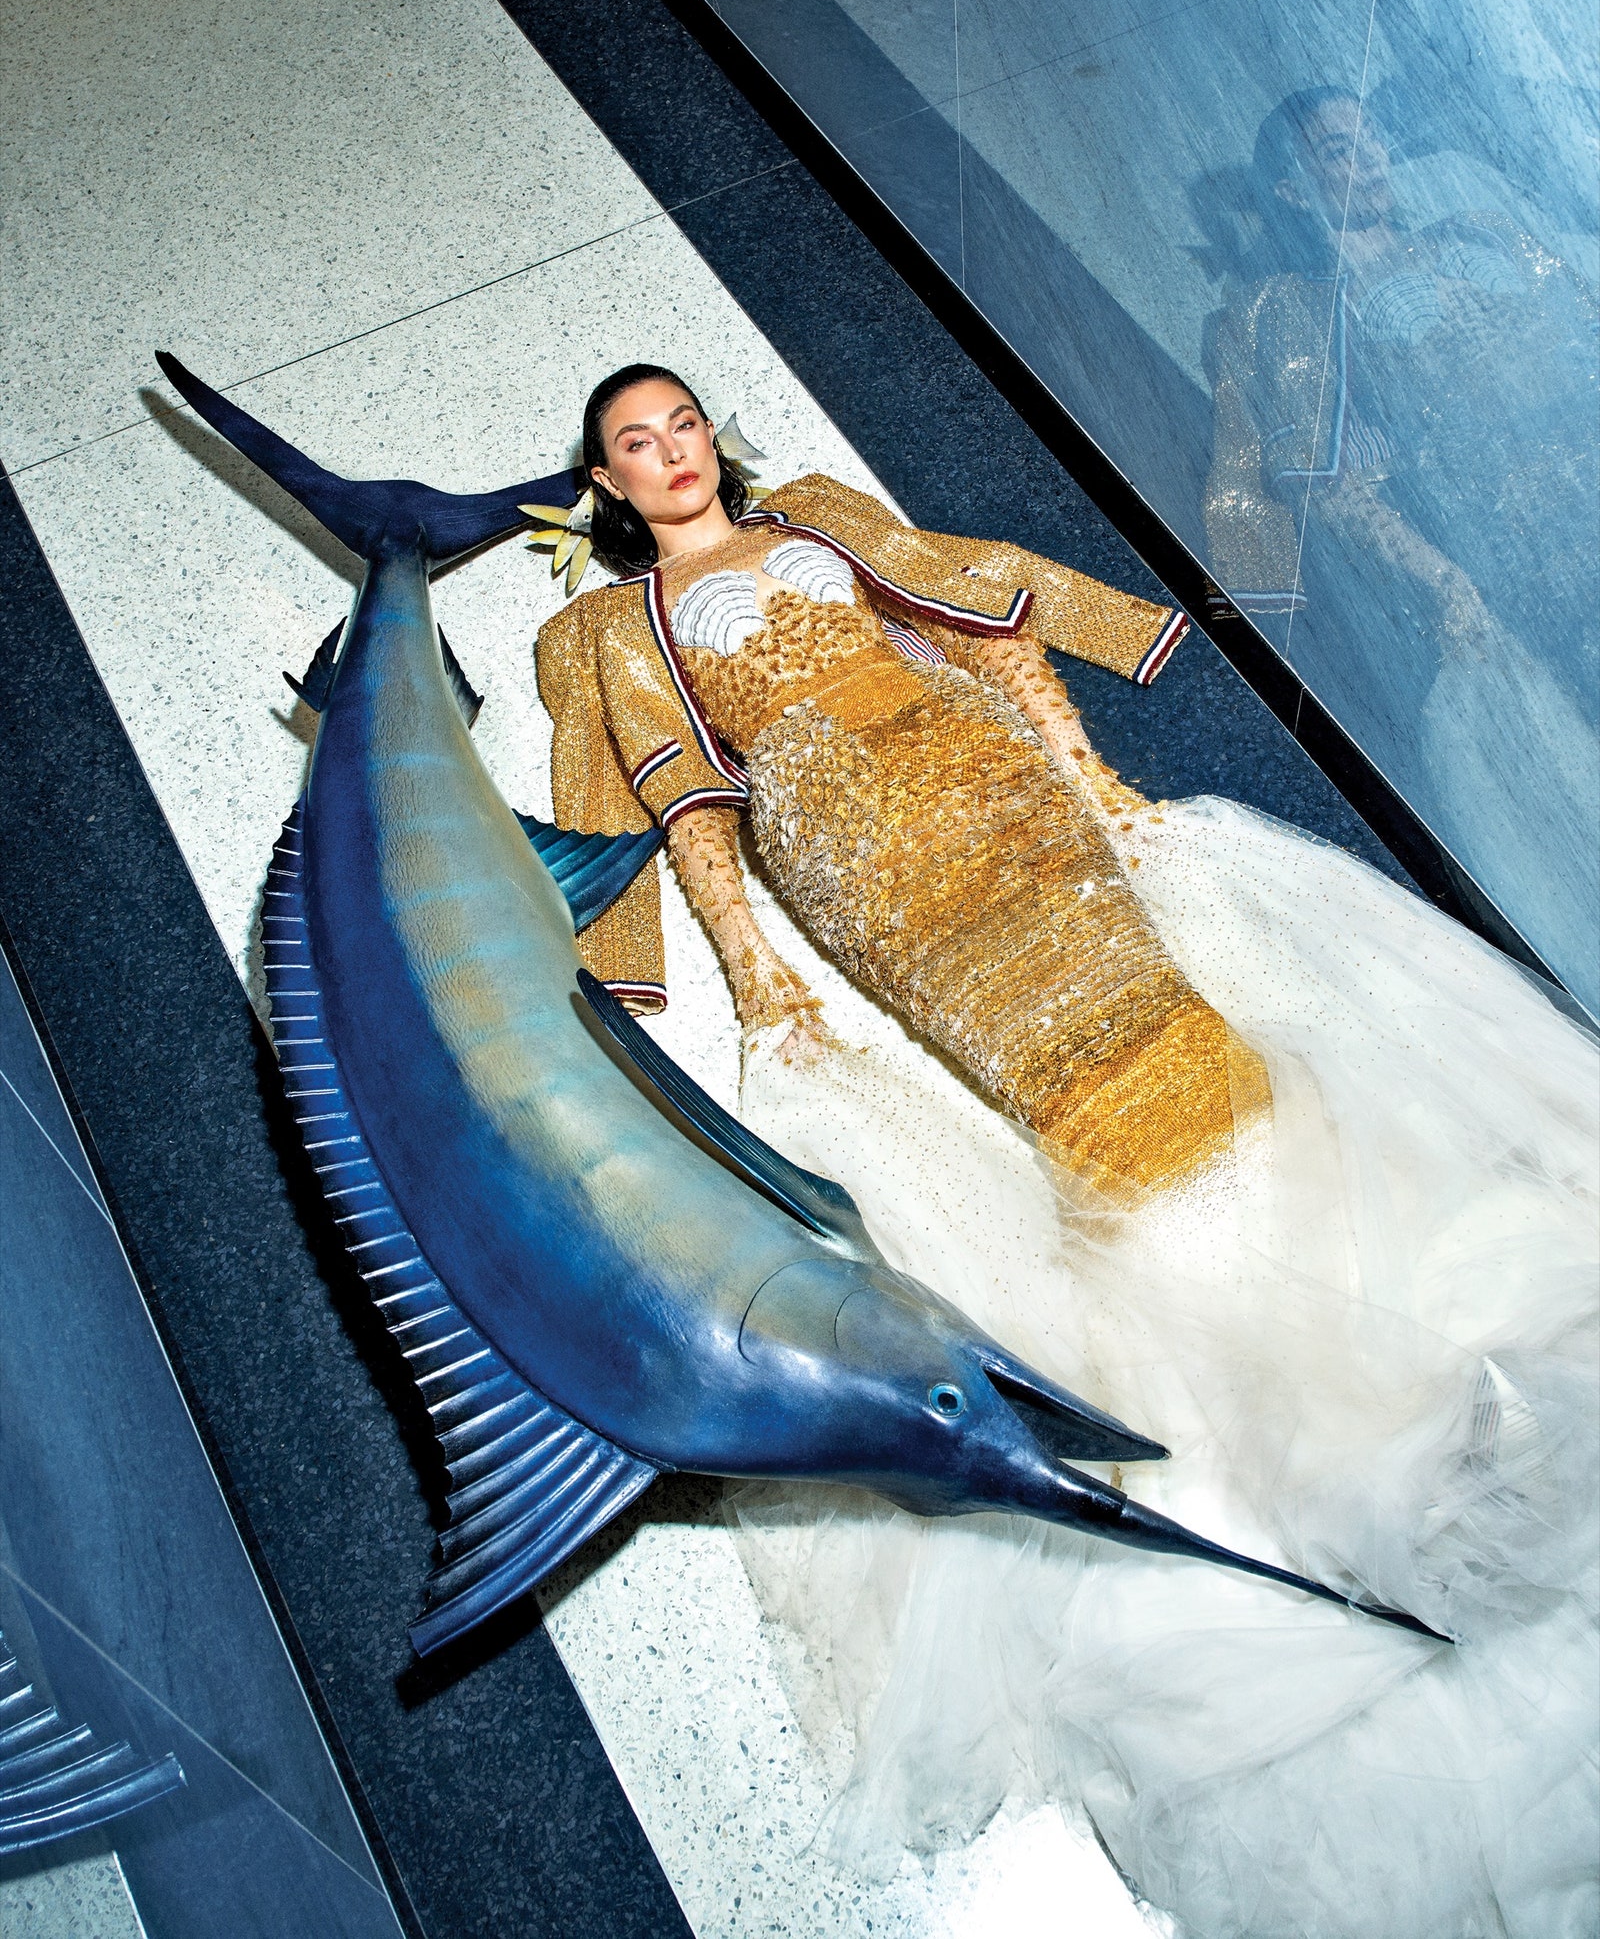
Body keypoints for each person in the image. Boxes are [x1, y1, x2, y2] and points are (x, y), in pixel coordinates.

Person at [536, 363, 1597, 1939]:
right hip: (854, 850)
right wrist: (755, 971)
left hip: (995, 779)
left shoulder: (822, 509)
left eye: (685, 422)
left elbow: (978, 612)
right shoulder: (605, 632)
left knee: (1172, 1025)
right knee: (1057, 1093)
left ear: (713, 437)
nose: (672, 453)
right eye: (638, 443)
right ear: (611, 485)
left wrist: (1090, 769)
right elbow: (684, 805)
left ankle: (1362, 1318)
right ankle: (1258, 1375)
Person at [1203, 86, 1599, 1010]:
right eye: (1341, 149)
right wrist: (1446, 580)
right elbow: (1335, 489)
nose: (1373, 155)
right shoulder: (1290, 309)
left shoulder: (1480, 229)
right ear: (1296, 192)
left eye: (1374, 133)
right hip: (1519, 554)